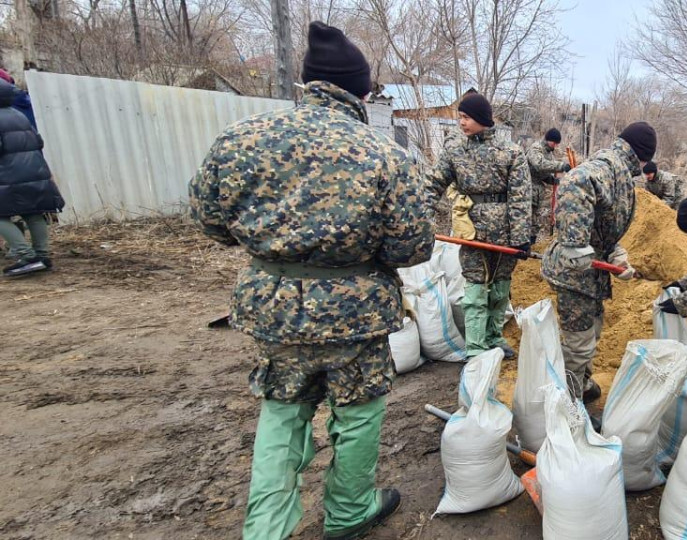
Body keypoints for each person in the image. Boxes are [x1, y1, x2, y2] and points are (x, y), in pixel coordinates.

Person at [189, 22, 433, 540]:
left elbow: (209, 220)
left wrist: (271, 244)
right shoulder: (384, 153)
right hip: (356, 309)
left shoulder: (241, 139)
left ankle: (266, 529)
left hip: (274, 306)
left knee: (283, 409)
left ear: (307, 83)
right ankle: (348, 513)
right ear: (361, 91)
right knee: (359, 410)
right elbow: (412, 247)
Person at [542, 122, 652, 402]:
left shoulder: (620, 170)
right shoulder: (609, 166)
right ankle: (569, 403)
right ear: (642, 156)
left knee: (593, 330)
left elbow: (602, 224)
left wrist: (616, 253)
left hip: (590, 274)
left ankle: (582, 381)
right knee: (578, 342)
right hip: (574, 274)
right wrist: (574, 244)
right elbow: (576, 182)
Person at [427, 92, 532, 359]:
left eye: (467, 117)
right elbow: (432, 185)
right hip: (469, 229)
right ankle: (475, 349)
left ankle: (493, 337)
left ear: (483, 119)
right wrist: (421, 217)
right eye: (460, 117)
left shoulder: (511, 152)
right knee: (474, 288)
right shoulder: (454, 150)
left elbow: (520, 196)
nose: (461, 122)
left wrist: (520, 238)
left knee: (499, 287)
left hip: (505, 232)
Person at [0, 79, 63, 278]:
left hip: (7, 175)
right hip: (34, 170)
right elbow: (39, 142)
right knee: (33, 212)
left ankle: (27, 256)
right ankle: (42, 256)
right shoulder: (19, 115)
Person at [526, 128, 570, 237]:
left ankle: (532, 243)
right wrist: (561, 166)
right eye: (554, 143)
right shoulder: (536, 148)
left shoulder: (549, 154)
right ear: (548, 139)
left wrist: (553, 180)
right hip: (527, 192)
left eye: (557, 144)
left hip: (538, 195)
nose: (555, 146)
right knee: (527, 220)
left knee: (535, 222)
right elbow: (539, 165)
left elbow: (543, 174)